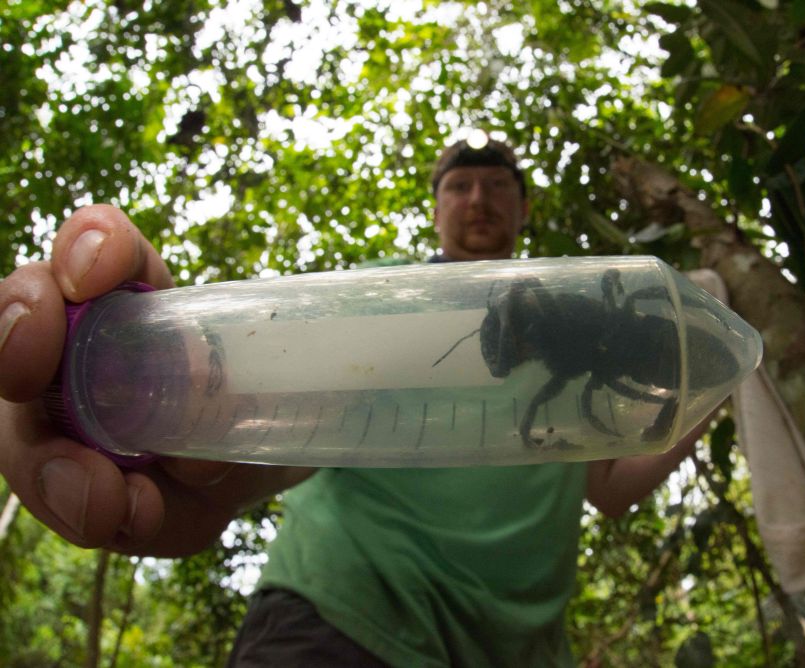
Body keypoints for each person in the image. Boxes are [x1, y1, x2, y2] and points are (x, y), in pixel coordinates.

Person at [0, 137, 704, 666]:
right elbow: (286, 430)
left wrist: (709, 389)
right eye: (459, 186)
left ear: (524, 206)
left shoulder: (587, 302)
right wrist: (197, 452)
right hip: (344, 618)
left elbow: (610, 487)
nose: (479, 200)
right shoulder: (382, 293)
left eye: (496, 185)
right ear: (436, 208)